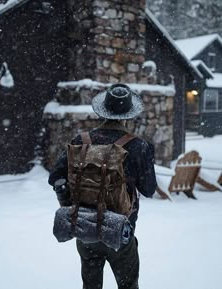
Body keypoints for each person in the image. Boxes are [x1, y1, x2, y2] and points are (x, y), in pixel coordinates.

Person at [48, 83, 157, 289]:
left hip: (84, 228)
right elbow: (149, 189)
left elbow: (55, 177)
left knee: (90, 286)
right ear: (128, 115)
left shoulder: (81, 141)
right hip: (120, 231)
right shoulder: (138, 146)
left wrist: (73, 199)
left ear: (103, 112)